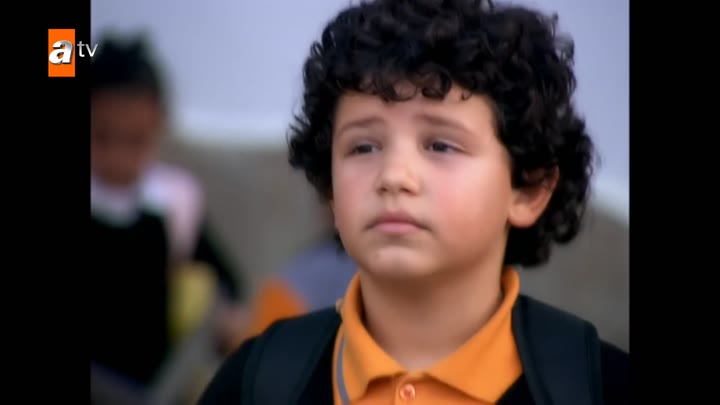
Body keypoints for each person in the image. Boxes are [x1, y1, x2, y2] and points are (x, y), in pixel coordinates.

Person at [199, 0, 629, 404]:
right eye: (363, 147)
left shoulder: (600, 387)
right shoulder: (255, 382)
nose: (393, 176)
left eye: (440, 145)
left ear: (528, 189)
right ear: (329, 187)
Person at [90, 33, 248, 390]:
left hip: (152, 387)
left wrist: (229, 321)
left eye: (135, 141)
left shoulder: (175, 200)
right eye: (102, 137)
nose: (118, 158)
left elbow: (226, 279)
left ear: (158, 125)